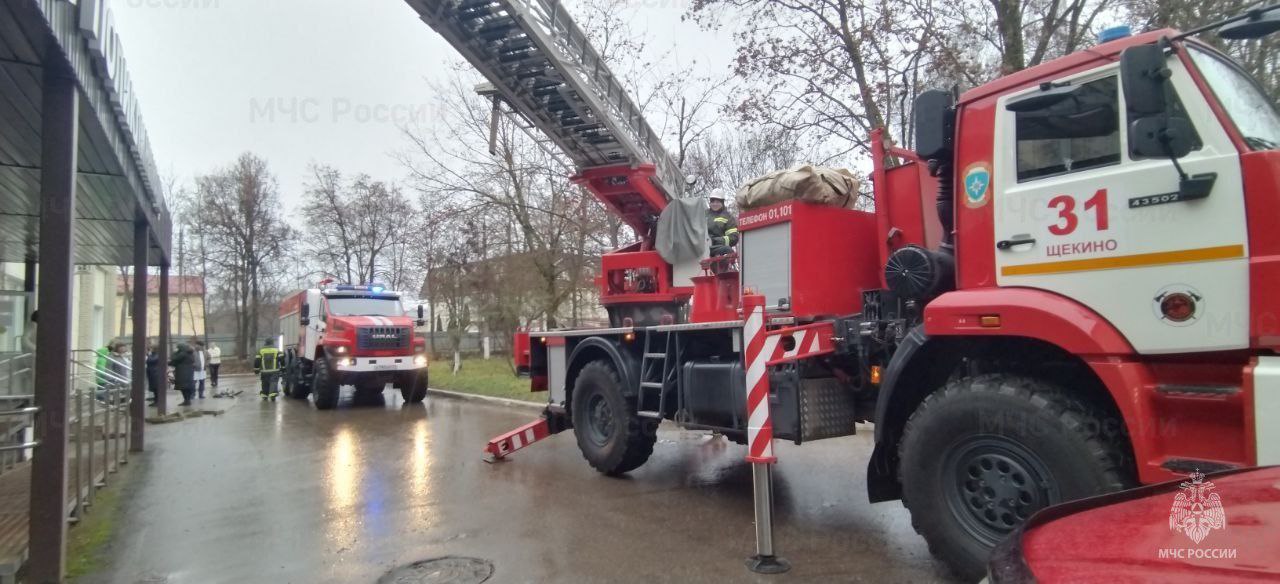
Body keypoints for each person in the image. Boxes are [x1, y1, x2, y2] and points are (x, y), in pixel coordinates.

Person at [707, 188, 739, 257]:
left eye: (717, 202)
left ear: (722, 203)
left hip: (717, 248)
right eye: (712, 201)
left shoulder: (728, 218)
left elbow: (733, 237)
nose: (715, 204)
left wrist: (716, 241)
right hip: (701, 247)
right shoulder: (703, 214)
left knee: (728, 250)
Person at [169, 342, 196, 406]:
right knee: (187, 387)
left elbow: (173, 358)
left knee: (183, 387)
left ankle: (186, 401)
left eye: (177, 348)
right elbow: (176, 361)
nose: (176, 349)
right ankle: (187, 400)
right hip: (189, 372)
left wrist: (175, 352)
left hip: (182, 373)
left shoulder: (182, 354)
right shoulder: (190, 353)